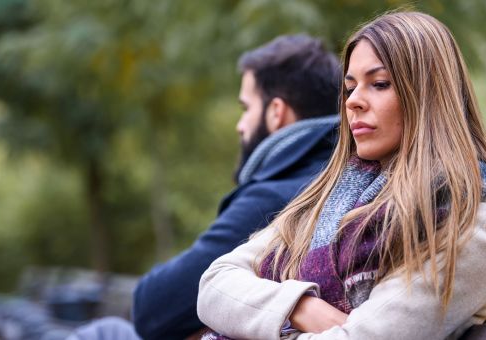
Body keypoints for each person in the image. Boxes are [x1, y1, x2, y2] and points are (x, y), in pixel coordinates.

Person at [197, 11, 486, 340]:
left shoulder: (471, 219)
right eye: (350, 87)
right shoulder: (327, 199)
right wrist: (299, 308)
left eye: (379, 84)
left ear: (428, 96)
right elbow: (215, 284)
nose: (353, 101)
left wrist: (266, 321)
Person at [131, 34, 341, 339]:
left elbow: (153, 309)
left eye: (246, 107)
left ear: (276, 112)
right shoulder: (339, 179)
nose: (240, 125)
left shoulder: (280, 194)